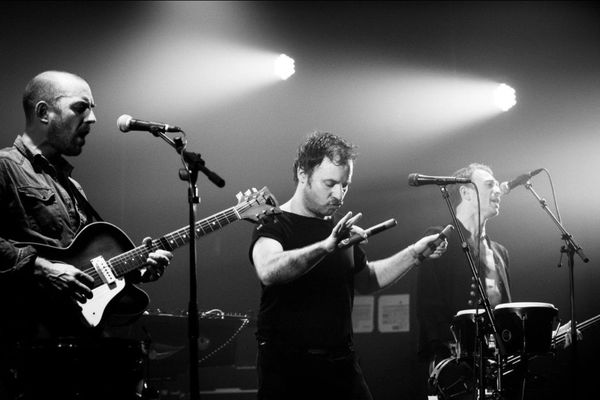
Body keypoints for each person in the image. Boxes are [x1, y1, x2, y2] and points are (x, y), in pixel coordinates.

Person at [0, 71, 173, 399]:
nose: (92, 119)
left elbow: (87, 270)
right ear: (43, 113)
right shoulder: (5, 168)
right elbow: (53, 269)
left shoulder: (72, 187)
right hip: (21, 349)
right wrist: (42, 269)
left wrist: (135, 270)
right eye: (81, 108)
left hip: (71, 350)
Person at [248, 131, 447, 400]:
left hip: (341, 365)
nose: (338, 195)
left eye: (345, 185)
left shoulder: (338, 229)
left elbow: (367, 280)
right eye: (329, 183)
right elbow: (269, 270)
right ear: (302, 174)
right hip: (288, 370)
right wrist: (326, 246)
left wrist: (414, 254)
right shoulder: (273, 222)